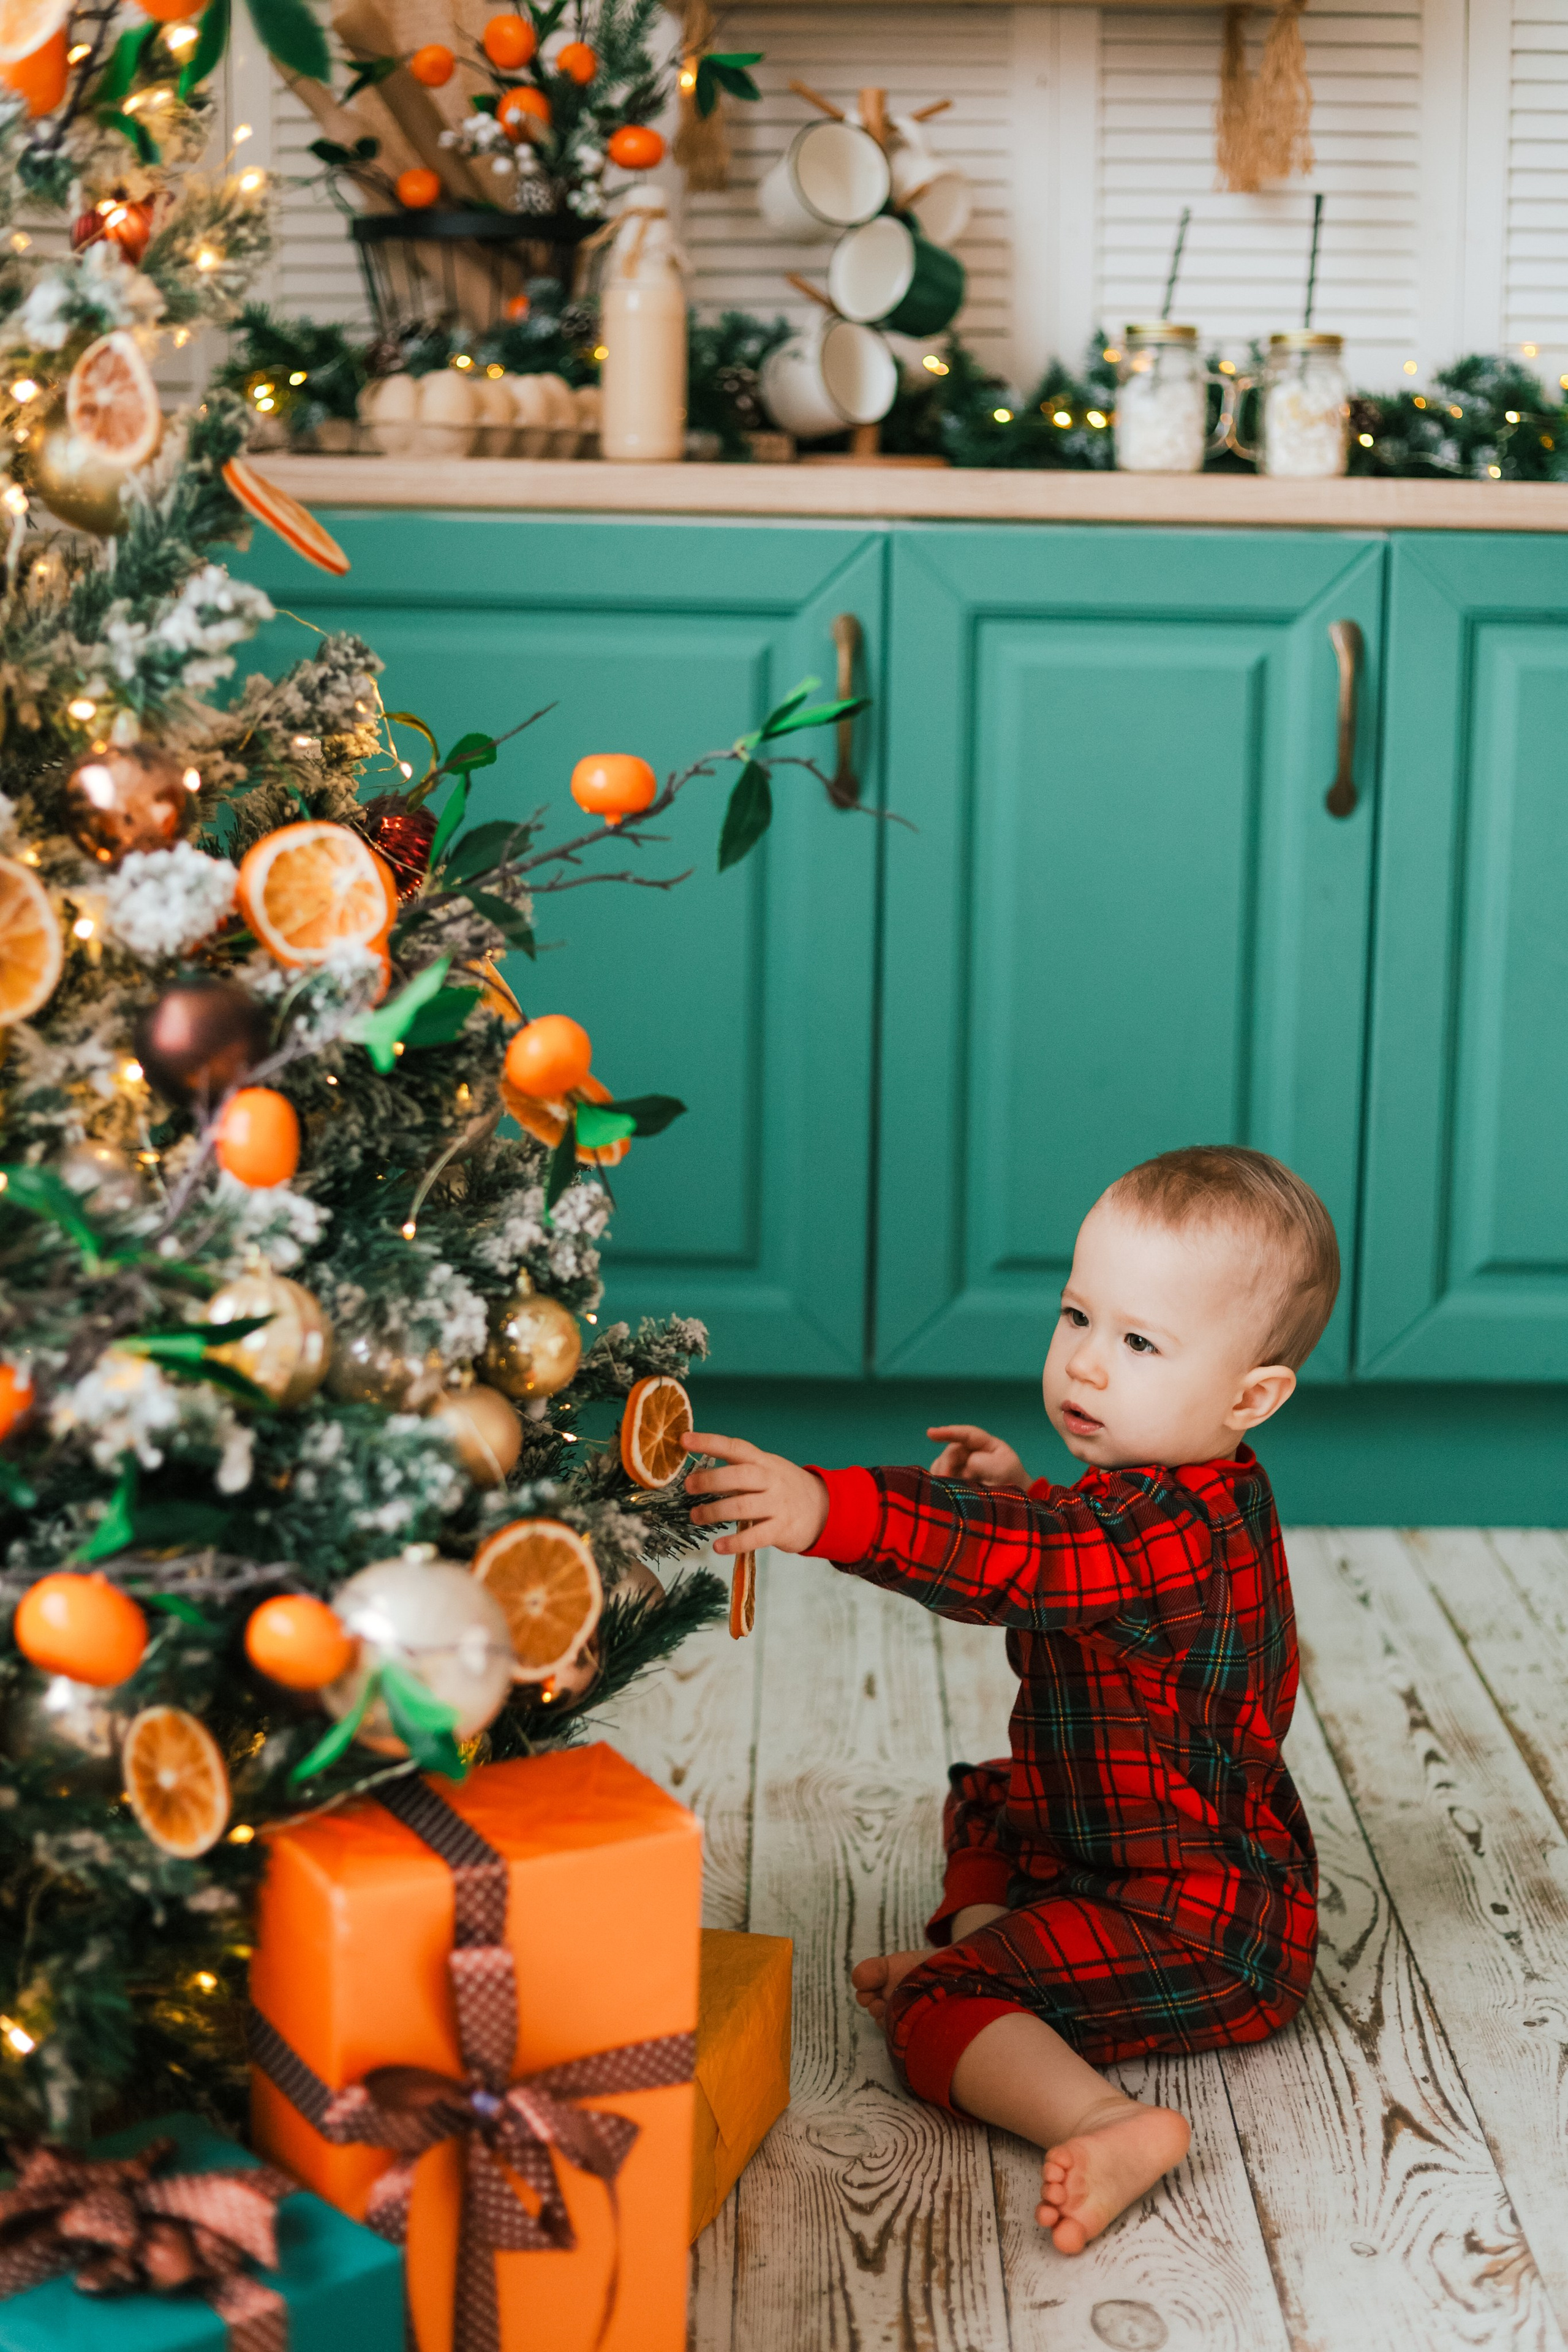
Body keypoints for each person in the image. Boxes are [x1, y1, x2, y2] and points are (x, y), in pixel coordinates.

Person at [685, 1145, 1333, 2256]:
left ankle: (1100, 2115)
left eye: (1138, 1343)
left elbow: (1026, 1564)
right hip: (1117, 1846)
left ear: (1251, 1395)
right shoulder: (1181, 1490)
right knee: (989, 1796)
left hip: (1203, 1925)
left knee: (926, 2016)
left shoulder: (1164, 1530)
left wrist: (828, 1510)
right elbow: (1071, 1558)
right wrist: (1024, 1494)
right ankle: (1009, 1956)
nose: (1085, 1363)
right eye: (1077, 1317)